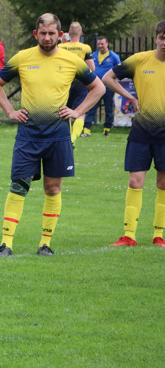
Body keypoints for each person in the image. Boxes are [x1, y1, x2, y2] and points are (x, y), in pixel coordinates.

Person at [0, 13, 105, 257]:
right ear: (36, 34)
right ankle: (6, 244)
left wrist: (77, 111)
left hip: (57, 135)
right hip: (28, 134)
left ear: (60, 35)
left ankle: (45, 244)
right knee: (18, 186)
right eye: (43, 33)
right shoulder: (23, 57)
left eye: (52, 33)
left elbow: (99, 87)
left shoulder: (72, 60)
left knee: (53, 189)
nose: (48, 37)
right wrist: (9, 110)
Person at [102, 20, 165, 248]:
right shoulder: (140, 59)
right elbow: (107, 77)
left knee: (163, 183)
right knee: (135, 181)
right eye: (162, 37)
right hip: (141, 131)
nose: (164, 42)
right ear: (156, 38)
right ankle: (129, 235)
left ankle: (159, 236)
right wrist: (130, 97)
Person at [57, 22, 96, 144]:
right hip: (80, 83)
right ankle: (73, 138)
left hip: (64, 83)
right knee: (81, 112)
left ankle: (67, 138)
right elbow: (92, 68)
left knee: (65, 112)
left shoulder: (61, 47)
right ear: (81, 33)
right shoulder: (85, 48)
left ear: (68, 33)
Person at [82, 36, 122, 137]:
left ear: (107, 44)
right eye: (98, 44)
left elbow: (119, 70)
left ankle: (106, 130)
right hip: (95, 87)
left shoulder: (114, 57)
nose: (100, 46)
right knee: (91, 108)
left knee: (109, 109)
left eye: (102, 44)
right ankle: (86, 130)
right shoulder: (93, 55)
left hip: (108, 88)